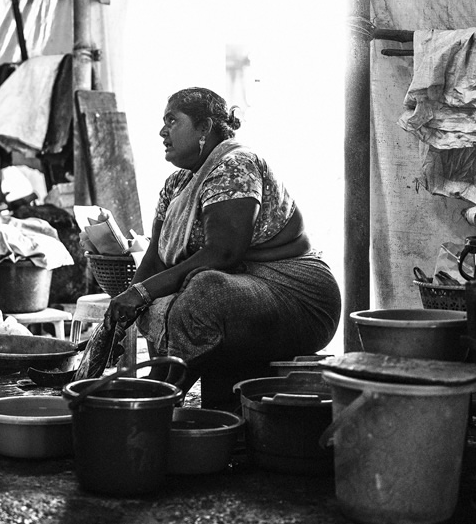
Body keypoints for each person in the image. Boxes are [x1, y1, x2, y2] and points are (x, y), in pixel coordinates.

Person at [106, 88, 341, 409]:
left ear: (204, 127)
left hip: (298, 297)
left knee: (204, 291)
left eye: (173, 121)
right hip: (245, 291)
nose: (162, 131)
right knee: (167, 298)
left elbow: (223, 254)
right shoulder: (177, 184)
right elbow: (156, 259)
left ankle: (158, 399)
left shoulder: (236, 165)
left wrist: (143, 293)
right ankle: (162, 396)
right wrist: (124, 308)